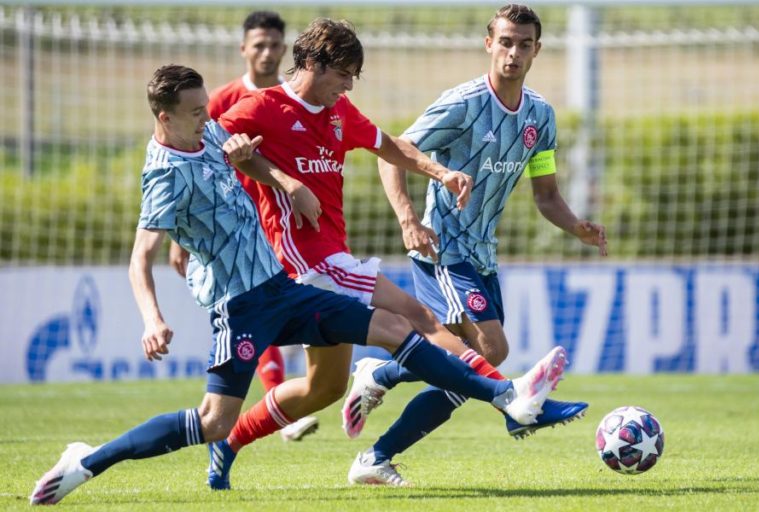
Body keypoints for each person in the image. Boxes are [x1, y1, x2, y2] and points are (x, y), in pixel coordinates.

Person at [29, 64, 566, 505]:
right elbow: (138, 259)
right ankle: (87, 461)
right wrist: (153, 319)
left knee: (393, 326)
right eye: (195, 114)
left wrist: (281, 178)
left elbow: (243, 156)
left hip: (282, 289)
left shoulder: (208, 132)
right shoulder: (166, 176)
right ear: (164, 118)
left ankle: (507, 396)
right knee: (214, 421)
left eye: (205, 110)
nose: (207, 120)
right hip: (238, 307)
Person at [205, 17, 583, 490]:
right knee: (418, 317)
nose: (347, 87)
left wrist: (439, 172)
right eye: (343, 75)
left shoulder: (339, 113)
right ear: (315, 64)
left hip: (328, 258)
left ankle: (228, 442)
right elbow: (205, 146)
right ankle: (510, 396)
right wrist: (275, 177)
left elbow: (394, 148)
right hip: (305, 260)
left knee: (324, 388)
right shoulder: (263, 107)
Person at [344, 4, 607, 485]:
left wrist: (577, 227)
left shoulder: (540, 117)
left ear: (537, 50)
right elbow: (392, 153)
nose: (513, 52)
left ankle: (377, 436)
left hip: (483, 253)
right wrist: (407, 220)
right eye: (505, 42)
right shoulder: (462, 104)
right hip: (442, 250)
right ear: (489, 44)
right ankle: (518, 407)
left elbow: (546, 195)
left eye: (523, 44)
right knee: (491, 347)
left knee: (466, 366)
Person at [166, 11, 318, 443]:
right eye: (259, 45)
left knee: (292, 308)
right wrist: (182, 237)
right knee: (260, 304)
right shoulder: (224, 99)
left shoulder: (298, 99)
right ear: (244, 48)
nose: (268, 53)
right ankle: (277, 400)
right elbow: (187, 158)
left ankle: (292, 398)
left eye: (275, 45)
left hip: (289, 221)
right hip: (236, 229)